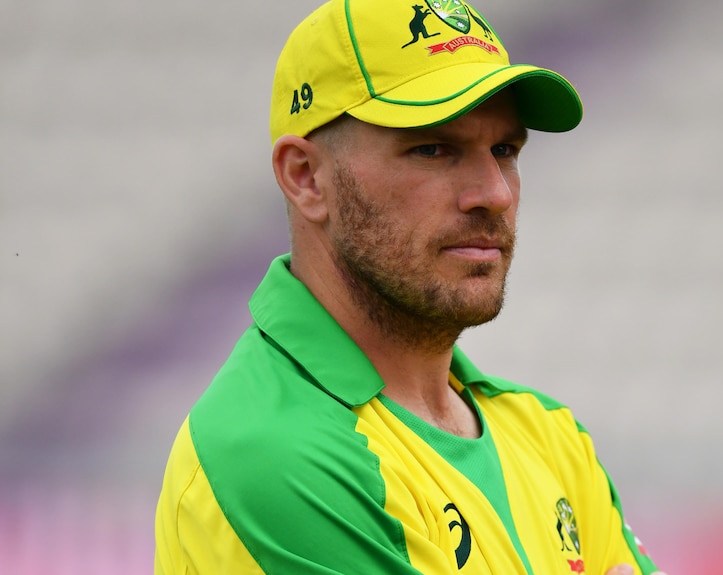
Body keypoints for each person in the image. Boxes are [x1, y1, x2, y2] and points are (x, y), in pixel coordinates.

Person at [154, 1, 666, 573]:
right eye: (433, 148)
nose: (494, 193)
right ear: (306, 177)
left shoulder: (550, 435)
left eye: (505, 149)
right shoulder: (272, 451)